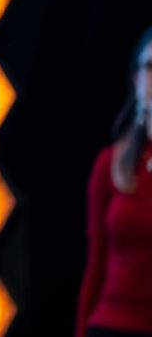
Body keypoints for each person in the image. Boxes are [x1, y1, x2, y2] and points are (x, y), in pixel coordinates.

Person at [76, 27, 152, 337]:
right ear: (136, 78)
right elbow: (95, 267)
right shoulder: (111, 163)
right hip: (113, 324)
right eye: (150, 67)